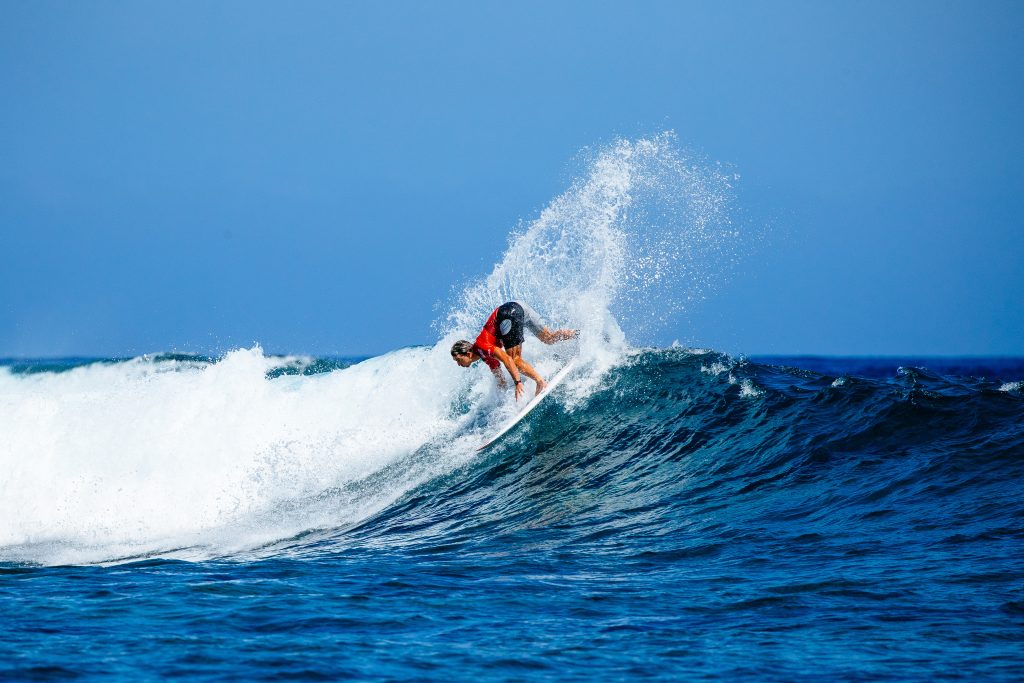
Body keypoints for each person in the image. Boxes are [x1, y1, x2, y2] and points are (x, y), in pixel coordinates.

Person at [451, 301, 577, 401]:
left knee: (515, 360)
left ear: (467, 354)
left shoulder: (481, 346)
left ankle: (540, 381)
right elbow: (500, 379)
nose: (458, 364)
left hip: (508, 314)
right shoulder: (486, 357)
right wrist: (502, 399)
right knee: (549, 339)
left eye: (458, 360)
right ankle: (579, 334)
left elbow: (508, 359)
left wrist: (518, 383)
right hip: (518, 307)